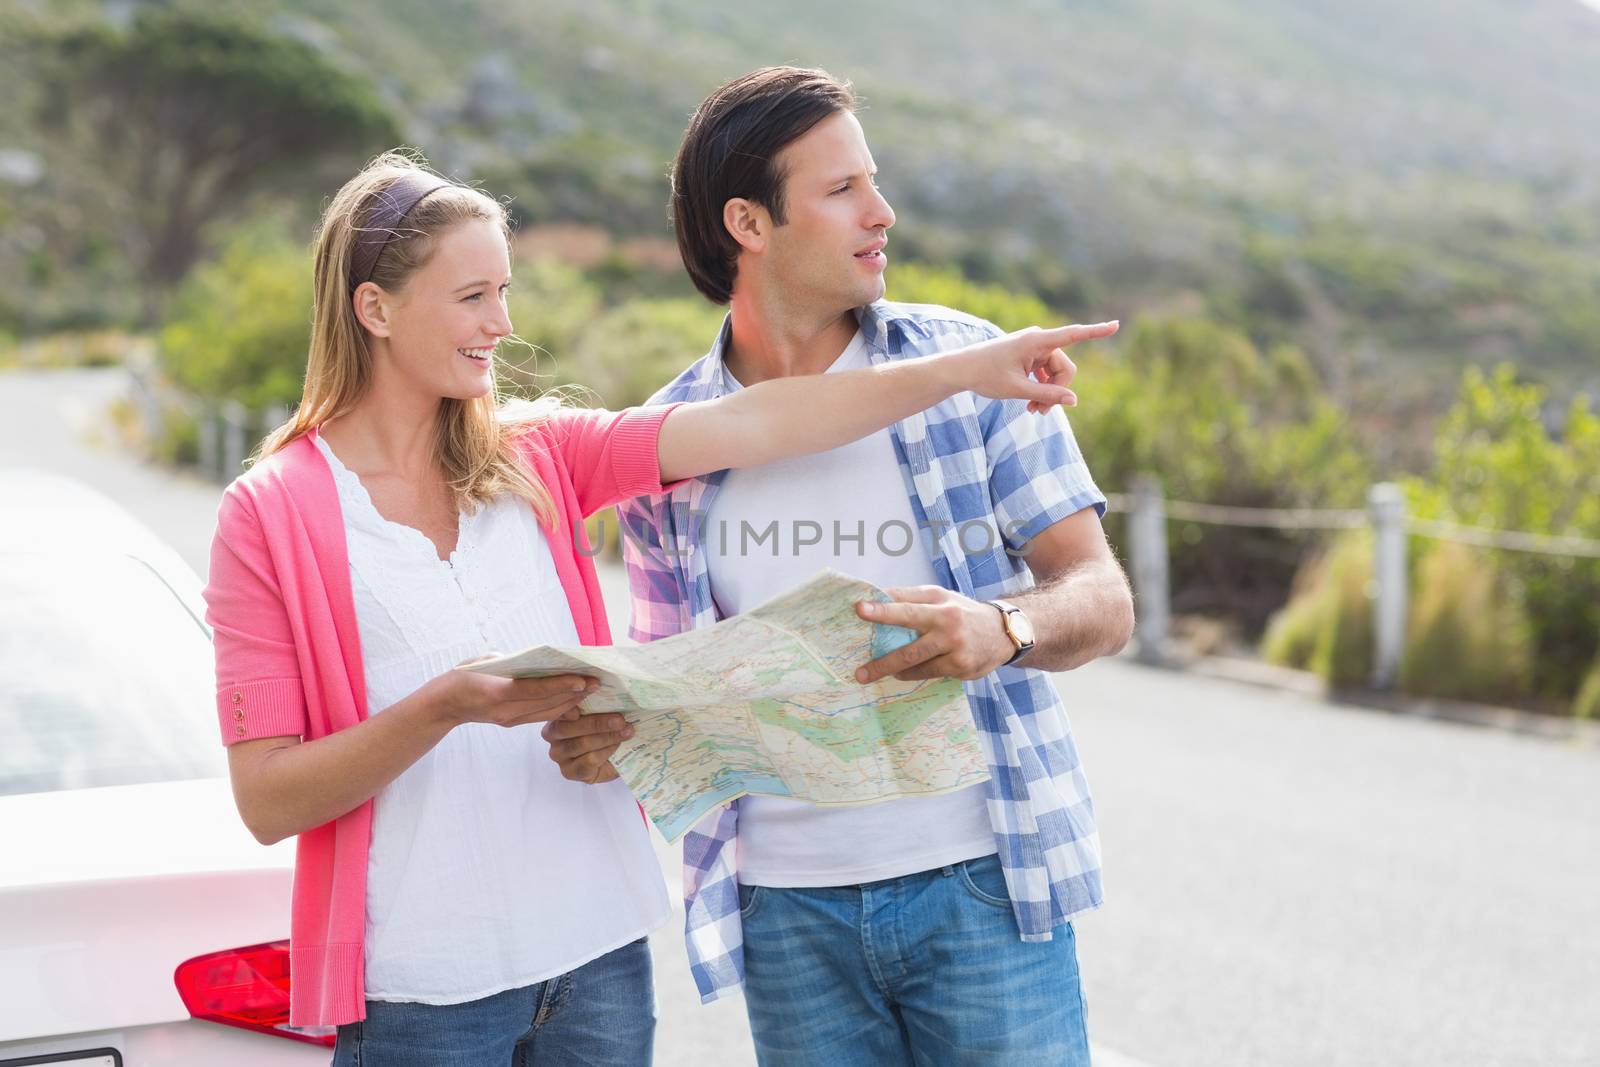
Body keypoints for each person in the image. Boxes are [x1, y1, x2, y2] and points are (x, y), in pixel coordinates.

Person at [203, 150, 1093, 1066]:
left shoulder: (540, 454)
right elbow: (269, 798)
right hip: (421, 991)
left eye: (504, 292)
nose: (502, 324)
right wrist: (448, 704)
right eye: (473, 297)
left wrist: (963, 369)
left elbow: (761, 422)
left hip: (597, 962)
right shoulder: (270, 515)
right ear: (374, 307)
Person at [544, 68, 1135, 1066]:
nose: (882, 212)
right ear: (749, 221)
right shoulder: (666, 447)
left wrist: (1005, 629)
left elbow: (1103, 596)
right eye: (842, 190)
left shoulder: (971, 368)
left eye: (874, 180)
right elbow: (676, 686)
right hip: (785, 916)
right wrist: (619, 733)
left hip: (981, 883)